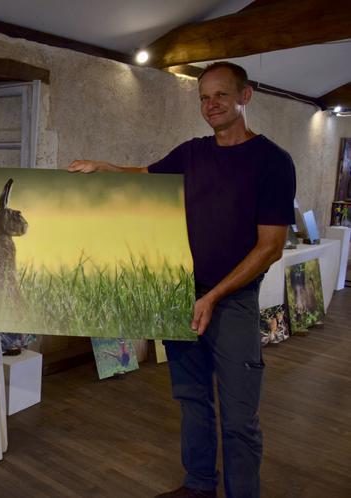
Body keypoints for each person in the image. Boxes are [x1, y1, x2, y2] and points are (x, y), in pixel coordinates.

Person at [67, 61, 296, 498]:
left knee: (239, 417)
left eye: (221, 95)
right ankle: (199, 486)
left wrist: (212, 297)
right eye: (204, 98)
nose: (210, 105)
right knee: (192, 400)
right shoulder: (191, 152)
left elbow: (270, 247)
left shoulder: (272, 162)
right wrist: (105, 167)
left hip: (232, 304)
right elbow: (146, 177)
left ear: (244, 96)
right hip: (180, 298)